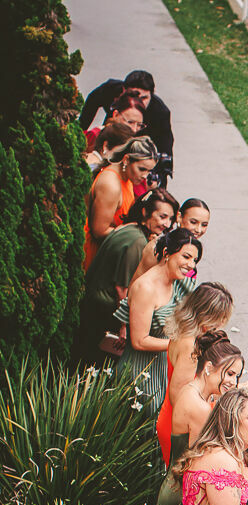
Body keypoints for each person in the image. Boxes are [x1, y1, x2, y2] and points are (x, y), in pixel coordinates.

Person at [111, 226, 202, 448]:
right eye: (186, 256)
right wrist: (179, 345)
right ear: (167, 253)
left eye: (195, 259)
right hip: (141, 371)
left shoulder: (177, 279)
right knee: (145, 433)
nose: (191, 264)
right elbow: (139, 340)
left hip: (164, 364)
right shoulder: (145, 287)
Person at [76, 187, 177, 362]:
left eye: (170, 218)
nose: (167, 224)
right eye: (162, 217)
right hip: (102, 312)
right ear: (146, 212)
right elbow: (122, 288)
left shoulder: (130, 228)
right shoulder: (137, 242)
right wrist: (125, 326)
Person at [156, 332, 244, 505]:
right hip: (182, 494)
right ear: (209, 367)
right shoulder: (199, 406)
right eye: (229, 374)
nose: (233, 382)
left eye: (236, 376)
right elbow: (208, 457)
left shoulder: (196, 392)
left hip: (177, 485)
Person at [154, 282, 235, 466]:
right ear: (207, 316)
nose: (222, 324)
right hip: (181, 426)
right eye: (220, 318)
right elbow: (179, 395)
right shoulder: (190, 346)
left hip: (174, 417)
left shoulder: (184, 332)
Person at [79, 68, 174, 181]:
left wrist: (158, 179)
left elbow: (165, 147)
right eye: (129, 121)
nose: (138, 102)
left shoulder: (160, 113)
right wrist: (80, 129)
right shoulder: (111, 90)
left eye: (144, 98)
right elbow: (92, 102)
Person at [83, 136, 158, 269]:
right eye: (142, 169)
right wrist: (138, 236)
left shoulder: (126, 177)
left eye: (149, 171)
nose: (145, 176)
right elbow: (99, 231)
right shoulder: (111, 185)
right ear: (126, 159)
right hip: (94, 254)